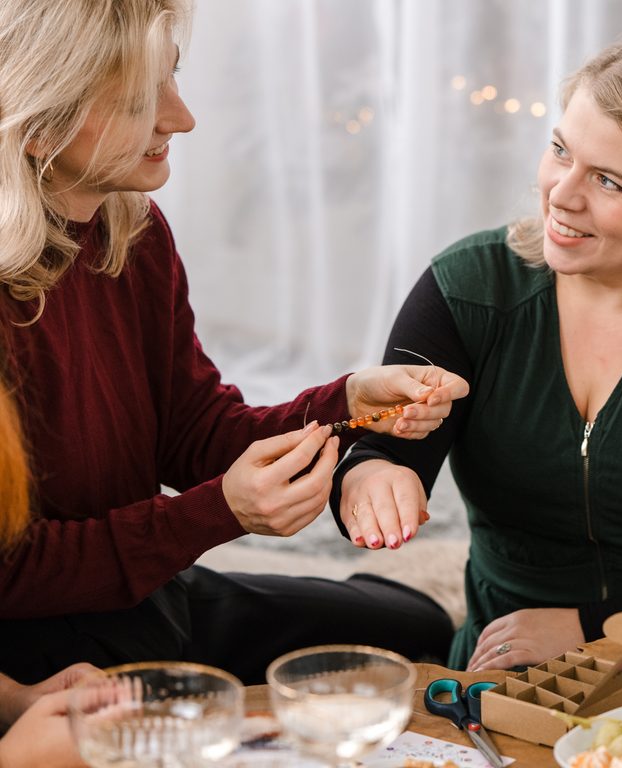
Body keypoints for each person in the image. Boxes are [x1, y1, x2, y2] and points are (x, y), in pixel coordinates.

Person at [0, 0, 470, 686]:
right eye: (139, 101)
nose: (181, 117)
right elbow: (11, 571)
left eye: (173, 77)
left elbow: (194, 432)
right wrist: (214, 514)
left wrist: (345, 402)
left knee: (418, 626)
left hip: (146, 590)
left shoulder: (134, 234)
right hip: (32, 640)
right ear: (40, 129)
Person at [331, 33, 622, 672]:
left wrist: (595, 628)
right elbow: (377, 450)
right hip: (502, 663)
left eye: (609, 181)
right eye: (561, 150)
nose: (562, 194)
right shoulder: (468, 290)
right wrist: (369, 476)